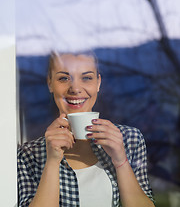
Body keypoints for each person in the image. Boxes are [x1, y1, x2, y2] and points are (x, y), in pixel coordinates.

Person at [17, 51, 155, 207]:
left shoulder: (130, 139)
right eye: (64, 78)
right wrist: (52, 163)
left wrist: (120, 161)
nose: (75, 88)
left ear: (98, 83)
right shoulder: (28, 154)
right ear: (50, 83)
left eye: (87, 78)